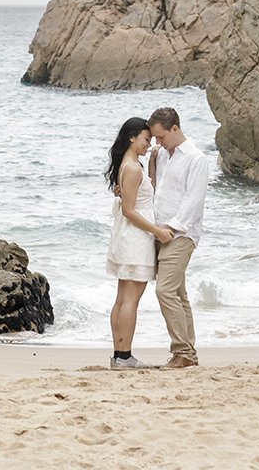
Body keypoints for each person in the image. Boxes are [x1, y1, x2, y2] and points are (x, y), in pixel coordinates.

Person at [104, 116, 173, 369]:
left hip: (128, 236)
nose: (149, 144)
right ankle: (124, 356)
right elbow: (129, 211)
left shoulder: (131, 164)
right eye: (146, 139)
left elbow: (145, 190)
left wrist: (153, 159)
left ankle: (118, 354)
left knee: (122, 298)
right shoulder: (132, 168)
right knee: (130, 299)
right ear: (132, 137)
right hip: (135, 238)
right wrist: (158, 231)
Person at [146, 106, 210, 369]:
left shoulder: (196, 158)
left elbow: (193, 201)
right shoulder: (162, 155)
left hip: (180, 234)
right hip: (160, 230)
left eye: (160, 137)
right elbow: (156, 189)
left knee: (165, 291)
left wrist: (170, 230)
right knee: (179, 294)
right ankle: (188, 354)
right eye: (154, 138)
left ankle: (182, 351)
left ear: (175, 128)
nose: (157, 142)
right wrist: (152, 160)